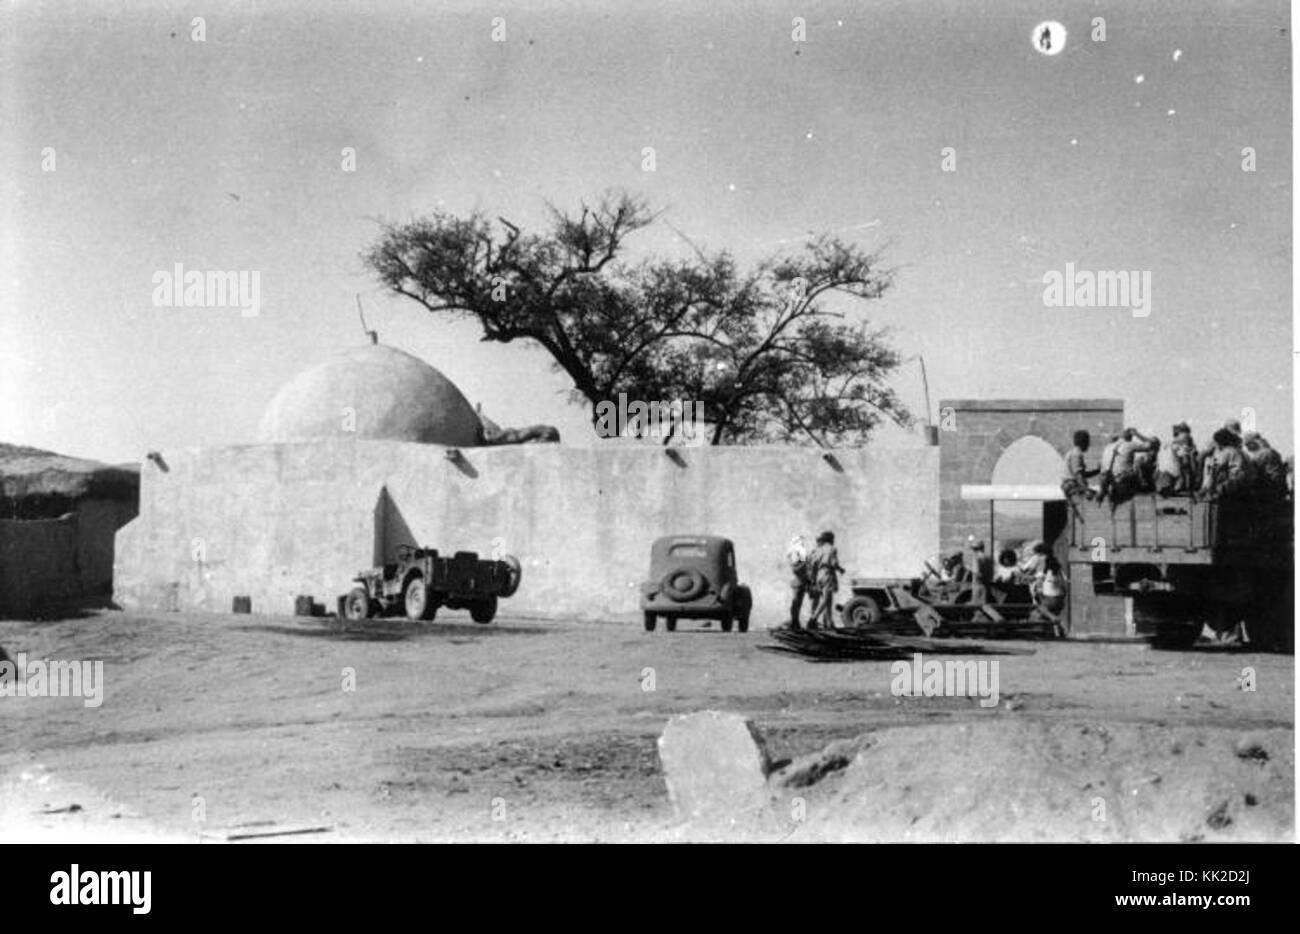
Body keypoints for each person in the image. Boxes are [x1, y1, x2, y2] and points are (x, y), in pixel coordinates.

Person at [806, 531, 845, 629]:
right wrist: (840, 569)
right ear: (830, 539)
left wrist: (814, 579)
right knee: (826, 599)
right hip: (828, 573)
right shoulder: (832, 549)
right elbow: (834, 563)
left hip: (819, 574)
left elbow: (813, 564)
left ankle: (829, 623)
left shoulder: (818, 550)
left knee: (828, 600)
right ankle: (813, 619)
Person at [1109, 428, 1158, 504]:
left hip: (1116, 476)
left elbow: (1152, 445)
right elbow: (1151, 445)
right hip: (1125, 476)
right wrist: (1137, 434)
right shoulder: (1130, 445)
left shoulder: (1118, 445)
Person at [1202, 428, 1251, 500]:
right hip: (1222, 490)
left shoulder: (1231, 452)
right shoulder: (1226, 452)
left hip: (1229, 492)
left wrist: (1220, 489)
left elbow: (1237, 474)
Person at [1243, 432, 1286, 499]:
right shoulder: (1272, 451)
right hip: (1279, 488)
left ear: (1253, 443)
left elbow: (1252, 470)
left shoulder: (1262, 453)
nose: (1247, 448)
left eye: (1247, 445)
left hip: (1269, 488)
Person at [1061, 430, 1099, 499]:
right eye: (1088, 442)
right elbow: (1078, 475)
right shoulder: (1077, 454)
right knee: (1099, 497)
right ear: (1084, 442)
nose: (1089, 445)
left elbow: (1082, 474)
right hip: (1072, 486)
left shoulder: (1072, 452)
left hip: (1070, 486)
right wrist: (1086, 490)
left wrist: (1097, 471)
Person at [786, 535, 812, 629]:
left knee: (798, 603)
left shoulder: (800, 553)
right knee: (796, 602)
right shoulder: (795, 553)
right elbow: (795, 568)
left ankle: (795, 622)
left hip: (802, 580)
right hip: (798, 581)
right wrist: (805, 565)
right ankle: (794, 622)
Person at [1097, 433, 1121, 502]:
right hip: (1109, 472)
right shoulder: (1113, 447)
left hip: (1106, 473)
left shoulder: (1107, 447)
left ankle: (1102, 494)